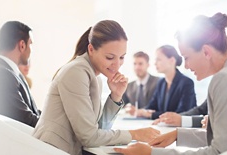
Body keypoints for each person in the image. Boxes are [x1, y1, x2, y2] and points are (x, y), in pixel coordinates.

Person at [115, 12, 227, 155]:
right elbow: (226, 138)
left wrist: (152, 153)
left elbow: (218, 151)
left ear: (206, 51)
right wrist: (178, 134)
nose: (186, 65)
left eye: (187, 57)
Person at [32, 20, 160, 155]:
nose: (117, 65)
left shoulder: (95, 77)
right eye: (110, 57)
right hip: (51, 150)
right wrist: (135, 134)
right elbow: (89, 137)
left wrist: (115, 96)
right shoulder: (76, 72)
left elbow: (99, 130)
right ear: (91, 49)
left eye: (121, 57)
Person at [151, 33, 227, 128]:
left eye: (187, 57)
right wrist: (177, 119)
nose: (185, 66)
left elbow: (224, 126)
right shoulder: (218, 80)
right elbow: (202, 110)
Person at [0, 21, 40, 127]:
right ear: (22, 45)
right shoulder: (1, 75)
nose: (31, 50)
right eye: (30, 44)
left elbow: (29, 113)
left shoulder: (5, 71)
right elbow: (26, 120)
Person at [135, 45, 197, 120]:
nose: (155, 63)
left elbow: (181, 113)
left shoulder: (186, 83)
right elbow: (151, 106)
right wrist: (142, 111)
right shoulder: (161, 82)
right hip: (163, 126)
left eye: (158, 59)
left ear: (172, 60)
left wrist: (152, 114)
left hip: (180, 129)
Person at [122, 51, 159, 115]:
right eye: (135, 64)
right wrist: (127, 108)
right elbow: (120, 104)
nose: (137, 67)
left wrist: (140, 111)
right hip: (135, 122)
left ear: (148, 65)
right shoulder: (129, 86)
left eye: (140, 64)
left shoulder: (158, 82)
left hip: (153, 120)